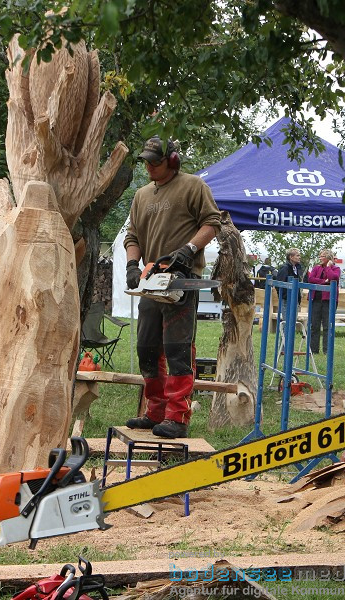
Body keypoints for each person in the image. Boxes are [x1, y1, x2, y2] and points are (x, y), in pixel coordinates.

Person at [123, 136, 221, 439]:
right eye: (147, 161)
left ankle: (177, 415)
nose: (150, 166)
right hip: (152, 280)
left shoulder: (193, 186)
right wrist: (132, 264)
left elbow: (212, 222)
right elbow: (133, 234)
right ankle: (155, 411)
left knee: (178, 349)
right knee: (146, 348)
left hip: (181, 278)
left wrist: (189, 249)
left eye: (156, 161)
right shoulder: (141, 195)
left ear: (172, 160)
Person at [306, 249, 341, 354]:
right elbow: (311, 279)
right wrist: (324, 282)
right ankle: (313, 350)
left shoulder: (336, 269)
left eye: (322, 256)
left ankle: (327, 350)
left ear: (328, 258)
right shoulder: (316, 268)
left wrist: (329, 268)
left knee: (327, 326)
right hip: (315, 299)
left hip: (329, 300)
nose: (320, 258)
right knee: (314, 325)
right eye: (320, 256)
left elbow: (333, 278)